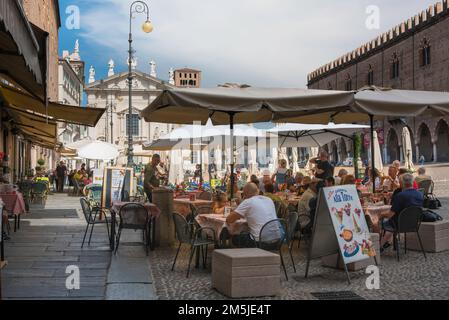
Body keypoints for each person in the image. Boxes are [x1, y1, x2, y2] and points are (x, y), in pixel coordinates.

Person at [380, 174, 424, 251]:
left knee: (381, 222)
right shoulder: (420, 194)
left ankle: (378, 246)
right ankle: (387, 242)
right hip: (414, 224)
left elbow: (390, 214)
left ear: (402, 183)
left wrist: (380, 215)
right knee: (391, 221)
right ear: (412, 182)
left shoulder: (400, 196)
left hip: (399, 224)